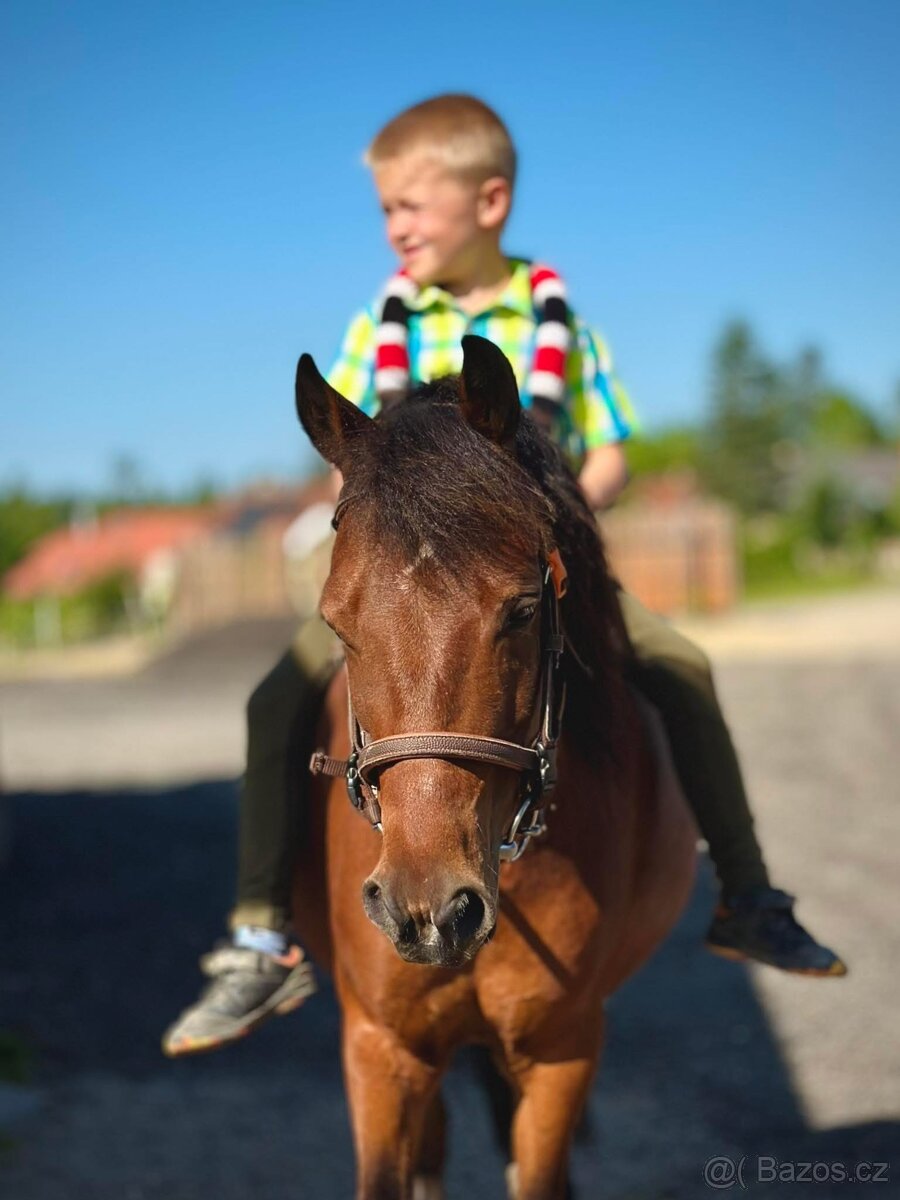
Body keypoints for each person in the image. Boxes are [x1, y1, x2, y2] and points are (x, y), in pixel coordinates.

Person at [163, 94, 844, 1058]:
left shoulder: (557, 318)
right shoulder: (380, 322)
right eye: (386, 212)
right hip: (410, 584)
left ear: (490, 201)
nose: (395, 228)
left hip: (537, 567)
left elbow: (610, 452)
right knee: (278, 697)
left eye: (410, 206)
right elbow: (354, 456)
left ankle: (747, 892)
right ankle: (260, 935)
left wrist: (560, 517)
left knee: (681, 664)